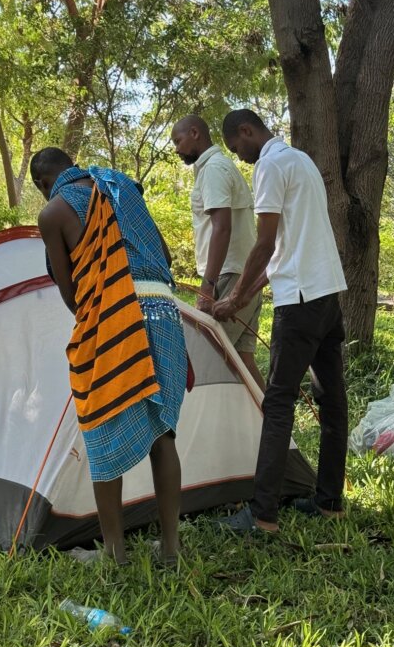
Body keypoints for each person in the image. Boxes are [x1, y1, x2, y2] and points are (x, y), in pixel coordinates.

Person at [31, 147, 188, 565]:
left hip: (113, 318)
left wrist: (107, 311)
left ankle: (114, 555)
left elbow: (72, 294)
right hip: (165, 310)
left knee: (101, 431)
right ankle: (170, 550)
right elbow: (165, 257)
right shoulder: (123, 187)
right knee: (163, 434)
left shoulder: (54, 213)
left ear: (44, 184)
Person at [212, 109, 348, 534]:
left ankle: (263, 514)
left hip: (300, 300)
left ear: (247, 131)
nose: (241, 156)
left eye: (238, 147)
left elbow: (266, 241)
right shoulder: (302, 160)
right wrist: (245, 297)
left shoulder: (270, 165)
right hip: (327, 294)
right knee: (332, 399)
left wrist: (232, 296)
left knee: (278, 402)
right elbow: (284, 248)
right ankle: (329, 502)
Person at [171, 114, 265, 391]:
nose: (177, 149)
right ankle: (274, 428)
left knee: (205, 357)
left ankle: (207, 430)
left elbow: (221, 228)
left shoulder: (213, 168)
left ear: (195, 133)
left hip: (230, 276)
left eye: (178, 141)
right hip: (243, 273)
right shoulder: (217, 167)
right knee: (243, 361)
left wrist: (208, 286)